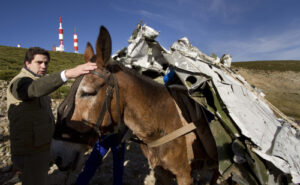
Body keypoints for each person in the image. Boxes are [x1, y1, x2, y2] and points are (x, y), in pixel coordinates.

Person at [6, 47, 97, 185]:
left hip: (42, 148)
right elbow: (32, 90)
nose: (44, 66)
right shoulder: (19, 82)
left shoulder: (40, 81)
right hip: (30, 152)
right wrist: (68, 73)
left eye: (46, 63)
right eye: (39, 62)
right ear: (27, 63)